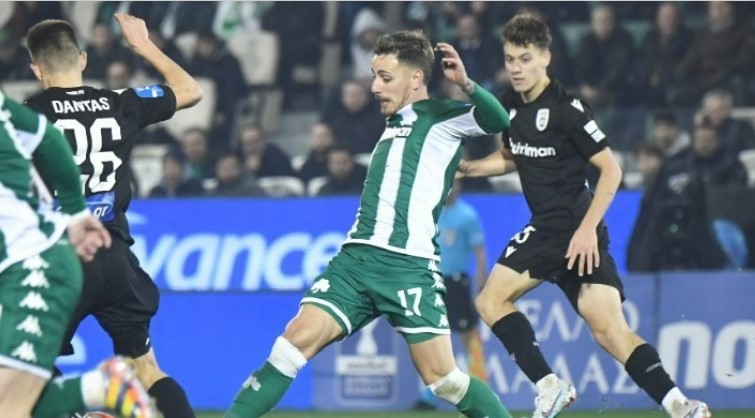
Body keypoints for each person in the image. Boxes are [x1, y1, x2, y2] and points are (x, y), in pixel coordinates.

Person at [224, 31, 512, 418]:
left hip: (407, 265)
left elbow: (498, 120)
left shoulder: (441, 118)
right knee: (289, 347)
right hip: (355, 262)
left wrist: (467, 84)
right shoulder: (394, 121)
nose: (375, 87)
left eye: (385, 78)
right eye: (375, 76)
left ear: (416, 78)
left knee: (444, 380)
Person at [458, 15, 711, 418]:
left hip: (565, 224)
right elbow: (512, 156)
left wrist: (587, 230)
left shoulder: (567, 109)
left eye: (525, 58)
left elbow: (611, 170)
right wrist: (469, 169)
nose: (517, 68)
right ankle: (681, 405)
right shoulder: (508, 104)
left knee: (490, 301)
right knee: (610, 332)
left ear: (546, 57)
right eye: (510, 59)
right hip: (569, 232)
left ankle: (549, 385)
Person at [24, 14, 202, 418]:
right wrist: (144, 46)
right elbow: (190, 90)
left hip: (61, 261)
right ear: (82, 59)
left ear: (36, 69)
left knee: (19, 366)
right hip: (115, 257)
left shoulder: (28, 118)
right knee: (146, 368)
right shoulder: (119, 102)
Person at [0, 91, 154, 418]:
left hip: (32, 269)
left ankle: (102, 387)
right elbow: (49, 138)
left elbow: (50, 139)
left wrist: (75, 212)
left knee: (9, 407)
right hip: (31, 264)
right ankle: (95, 389)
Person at [414, 180, 489, 411]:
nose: (451, 188)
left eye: (455, 184)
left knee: (468, 335)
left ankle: (481, 389)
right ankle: (428, 396)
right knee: (431, 337)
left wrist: (482, 280)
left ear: (460, 187)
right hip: (433, 281)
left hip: (457, 281)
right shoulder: (431, 214)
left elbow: (479, 250)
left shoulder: (467, 215)